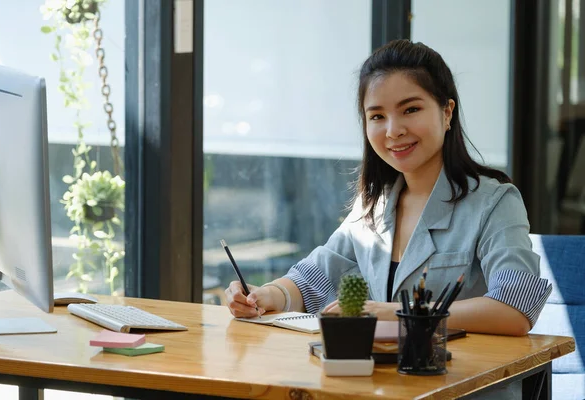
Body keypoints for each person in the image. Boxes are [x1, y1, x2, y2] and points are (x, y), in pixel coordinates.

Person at [225, 39, 552, 338]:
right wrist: (265, 295)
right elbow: (312, 279)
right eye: (377, 116)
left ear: (447, 111)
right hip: (382, 381)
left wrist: (397, 314)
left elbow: (515, 311)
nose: (393, 131)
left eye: (411, 109)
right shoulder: (373, 204)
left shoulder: (495, 202)